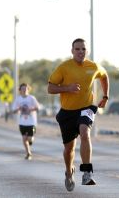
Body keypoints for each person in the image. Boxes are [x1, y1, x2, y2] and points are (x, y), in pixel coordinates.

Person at [47, 38, 109, 192]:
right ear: (72, 51)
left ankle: (87, 172)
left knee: (85, 133)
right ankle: (69, 171)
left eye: (83, 49)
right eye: (77, 49)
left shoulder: (93, 66)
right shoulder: (64, 67)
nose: (80, 52)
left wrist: (105, 96)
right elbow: (50, 88)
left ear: (86, 51)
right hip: (67, 112)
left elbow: (104, 76)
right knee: (69, 149)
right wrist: (68, 88)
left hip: (86, 108)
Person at [12, 83, 40, 160]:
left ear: (28, 89)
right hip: (22, 122)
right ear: (20, 90)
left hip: (32, 123)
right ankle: (28, 153)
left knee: (30, 138)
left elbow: (38, 108)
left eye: (26, 89)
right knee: (24, 138)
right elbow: (14, 110)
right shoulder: (18, 99)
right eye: (22, 89)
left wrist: (30, 109)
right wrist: (19, 109)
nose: (24, 90)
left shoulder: (32, 98)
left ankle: (31, 140)